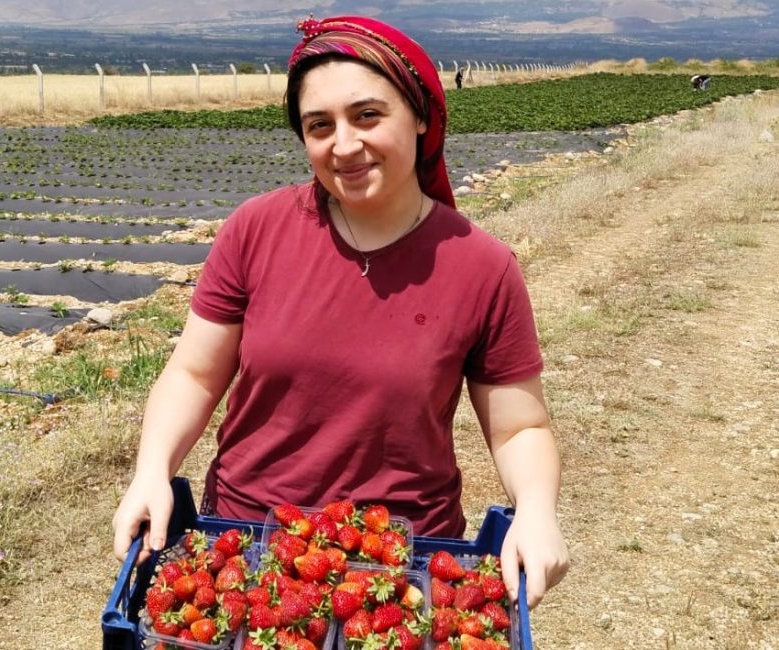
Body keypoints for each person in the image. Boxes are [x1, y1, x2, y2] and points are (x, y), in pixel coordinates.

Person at [112, 15, 569, 608]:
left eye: (368, 116)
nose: (344, 145)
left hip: (402, 562)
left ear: (423, 115)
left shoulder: (481, 266)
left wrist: (536, 511)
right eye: (319, 125)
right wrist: (151, 471)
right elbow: (194, 374)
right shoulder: (256, 230)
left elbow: (519, 426)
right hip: (247, 545)